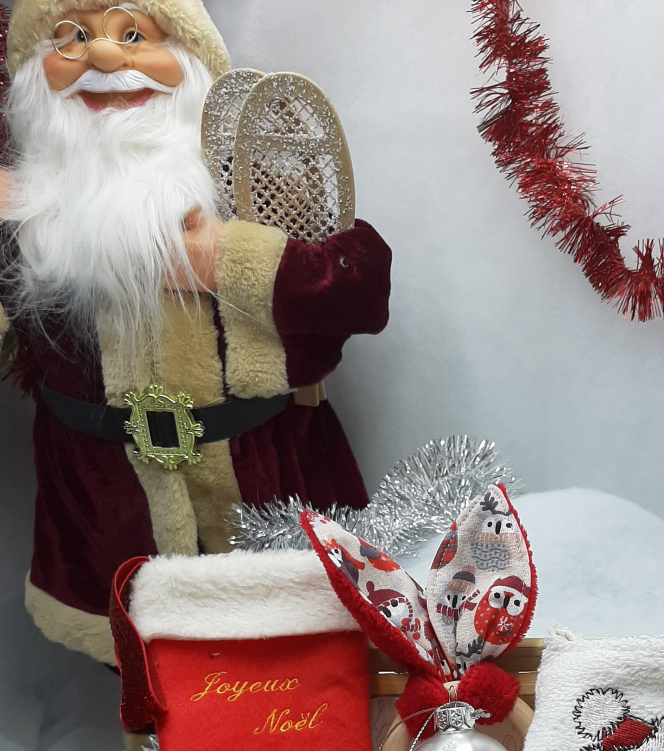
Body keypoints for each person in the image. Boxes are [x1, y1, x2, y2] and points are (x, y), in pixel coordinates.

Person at [0, 1, 392, 663]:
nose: (103, 58)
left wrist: (229, 259)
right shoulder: (27, 209)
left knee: (296, 667)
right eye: (73, 39)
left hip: (265, 488)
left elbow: (362, 286)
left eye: (132, 35)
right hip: (108, 511)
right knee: (148, 679)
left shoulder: (247, 182)